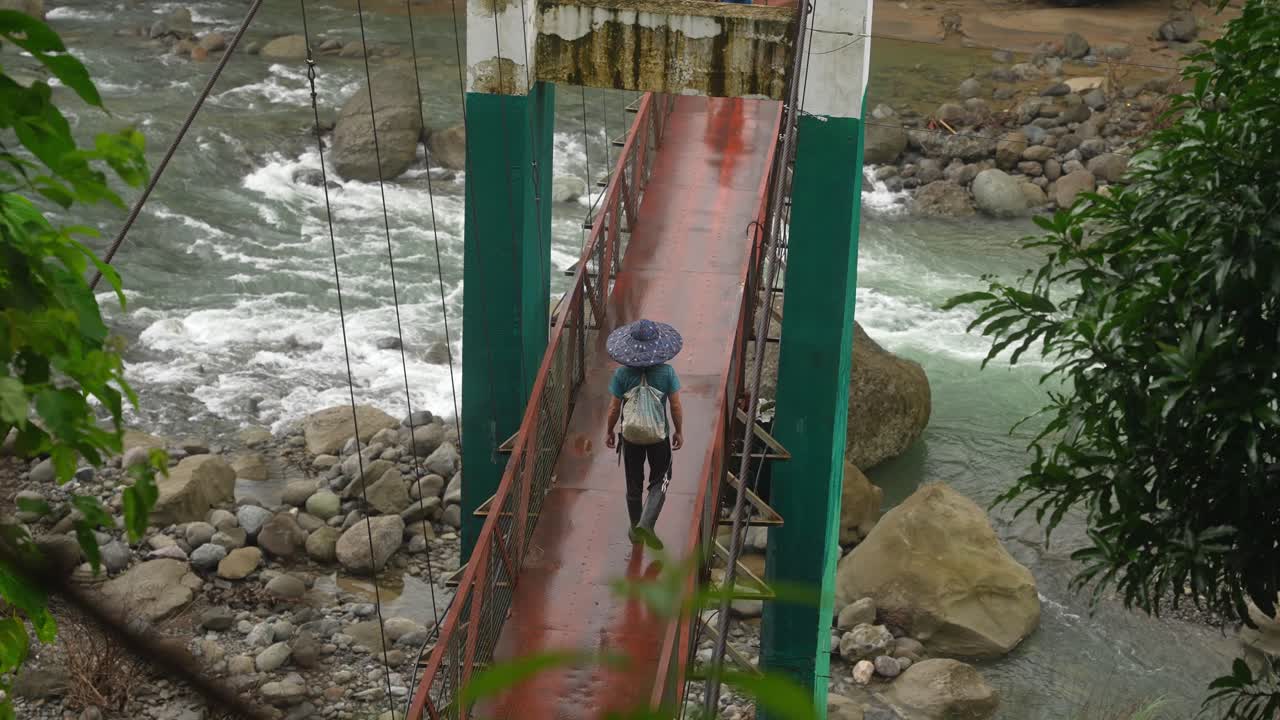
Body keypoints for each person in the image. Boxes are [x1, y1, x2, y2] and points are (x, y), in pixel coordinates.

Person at [604, 319, 684, 549]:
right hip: (659, 437)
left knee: (633, 483)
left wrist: (609, 431)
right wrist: (679, 431)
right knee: (661, 478)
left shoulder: (622, 374)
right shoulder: (667, 372)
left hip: (630, 438)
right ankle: (647, 523)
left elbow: (613, 408)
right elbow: (676, 406)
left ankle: (635, 529)